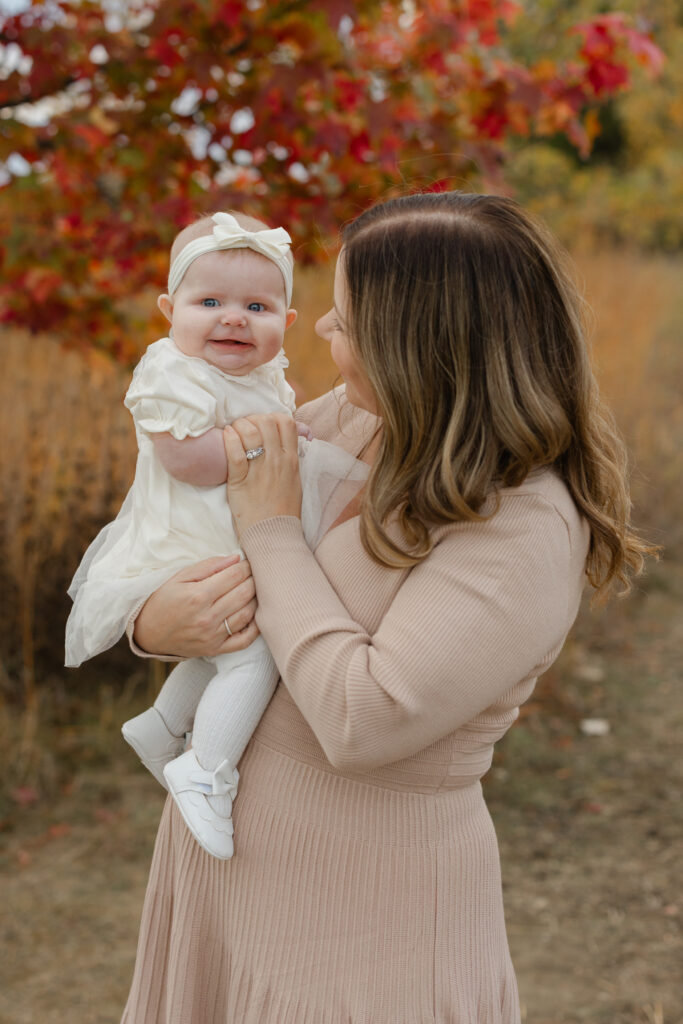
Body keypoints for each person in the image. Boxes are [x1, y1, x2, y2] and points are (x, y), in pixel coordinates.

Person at [121, 192, 653, 1023]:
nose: (321, 331)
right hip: (223, 871)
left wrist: (271, 531)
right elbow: (188, 525)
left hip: (364, 904)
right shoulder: (361, 421)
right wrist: (152, 623)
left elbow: (363, 719)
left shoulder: (522, 522)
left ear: (421, 343)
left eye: (345, 319)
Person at [65, 210, 367, 860]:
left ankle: (162, 725)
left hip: (233, 531)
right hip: (190, 537)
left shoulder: (262, 376)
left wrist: (284, 436)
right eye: (209, 303)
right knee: (254, 649)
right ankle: (206, 767)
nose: (233, 319)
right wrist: (268, 445)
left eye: (256, 307)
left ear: (286, 321)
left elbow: (274, 425)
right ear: (169, 311)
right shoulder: (173, 373)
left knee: (224, 645)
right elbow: (187, 460)